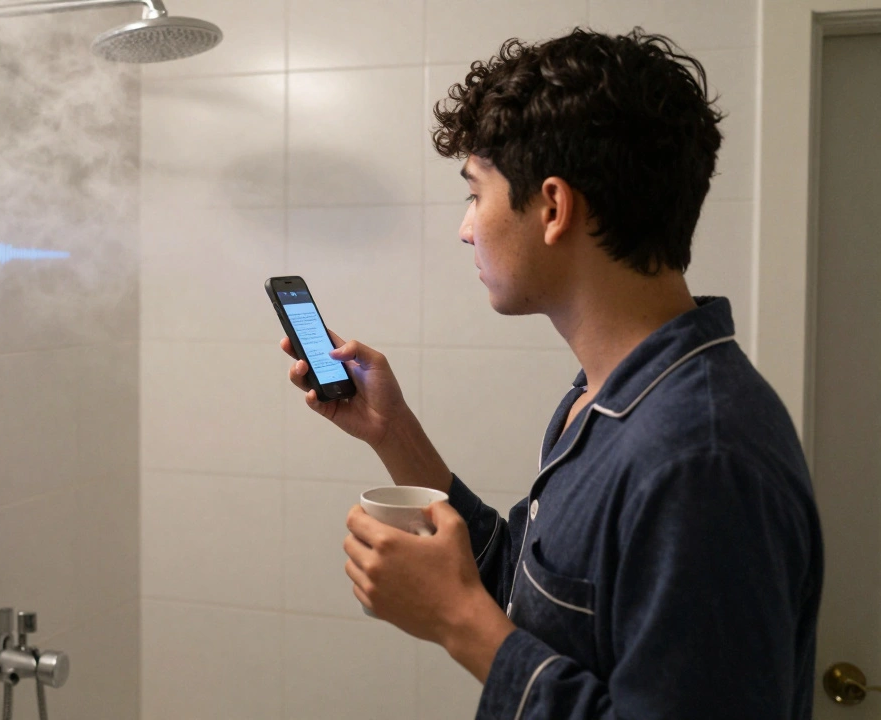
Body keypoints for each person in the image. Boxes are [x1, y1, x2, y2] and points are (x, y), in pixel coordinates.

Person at [279, 28, 822, 719]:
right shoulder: (607, 398)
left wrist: (457, 622)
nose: (466, 229)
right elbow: (532, 596)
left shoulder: (698, 458)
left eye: (476, 194)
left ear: (555, 208)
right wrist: (394, 432)